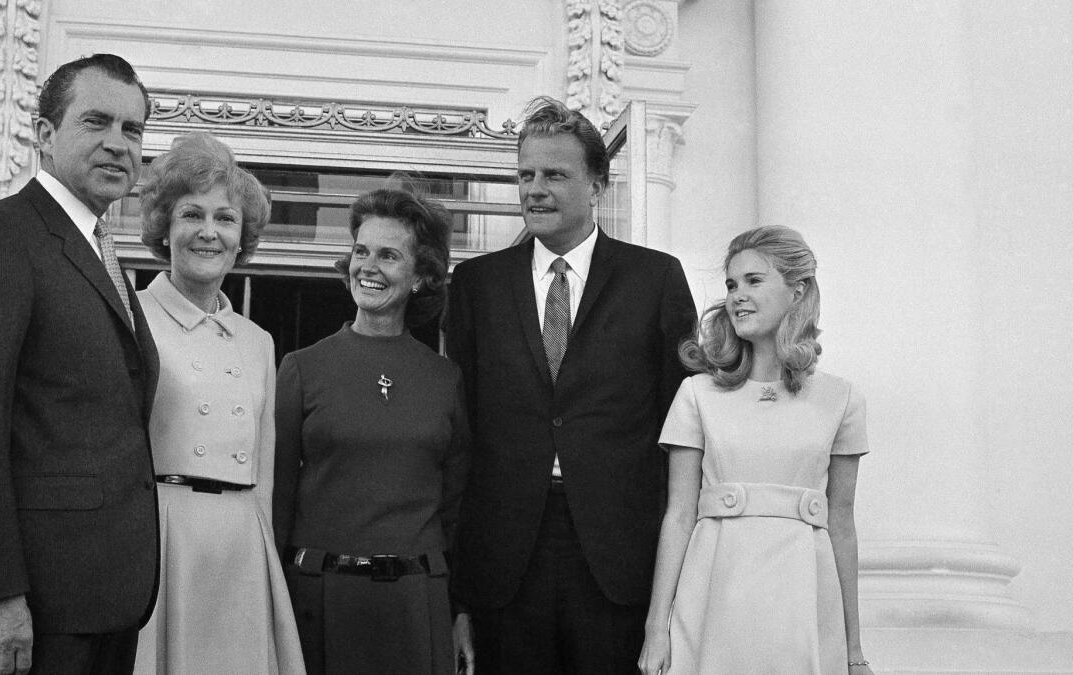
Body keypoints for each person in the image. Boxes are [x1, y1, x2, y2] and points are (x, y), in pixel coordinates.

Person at [0, 54, 160, 674]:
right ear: (45, 134)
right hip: (33, 608)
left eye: (132, 131)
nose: (117, 144)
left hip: (107, 598)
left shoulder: (101, 250)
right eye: (96, 122)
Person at [445, 95, 697, 674]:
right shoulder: (477, 286)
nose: (535, 189)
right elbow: (463, 436)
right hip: (505, 563)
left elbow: (682, 427)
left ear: (598, 185)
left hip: (618, 561)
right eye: (525, 175)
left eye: (554, 174)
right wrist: (459, 593)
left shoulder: (655, 279)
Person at [637, 226, 873, 674]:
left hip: (803, 596)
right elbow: (679, 515)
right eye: (731, 284)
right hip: (712, 591)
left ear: (797, 290)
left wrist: (854, 652)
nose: (737, 296)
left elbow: (842, 524)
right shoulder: (697, 394)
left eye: (753, 281)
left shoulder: (841, 400)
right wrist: (656, 630)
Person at [273, 188, 472, 675]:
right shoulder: (301, 368)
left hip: (416, 604)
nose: (368, 266)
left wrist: (461, 609)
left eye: (388, 255)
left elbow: (457, 507)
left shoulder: (445, 379)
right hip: (318, 599)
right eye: (361, 251)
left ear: (422, 275)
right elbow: (277, 500)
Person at [131, 132, 305, 674]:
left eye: (225, 219)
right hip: (160, 544)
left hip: (239, 548)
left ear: (242, 235)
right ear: (165, 226)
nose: (210, 232)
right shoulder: (129, 317)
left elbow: (268, 476)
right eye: (192, 214)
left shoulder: (258, 341)